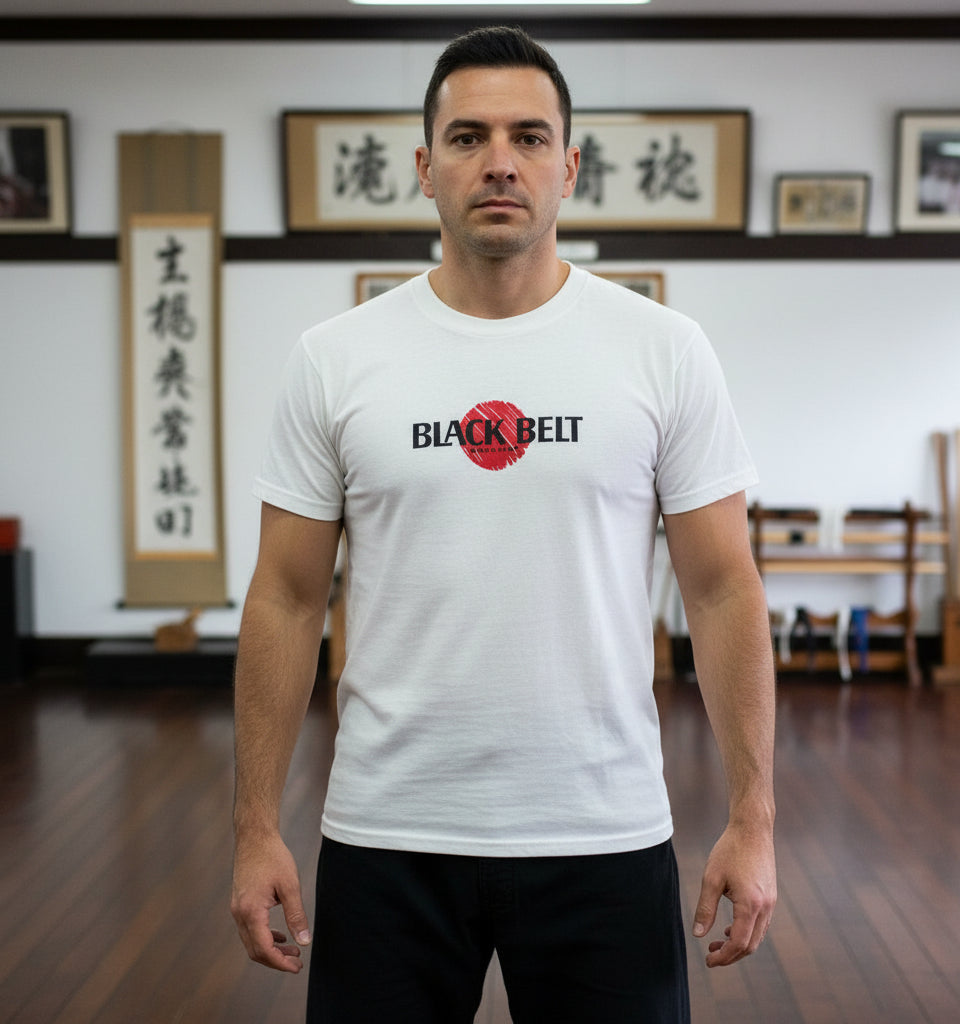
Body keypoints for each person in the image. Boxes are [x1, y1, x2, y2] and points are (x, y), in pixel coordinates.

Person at [231, 25, 776, 1023]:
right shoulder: (335, 358)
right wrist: (253, 827)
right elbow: (285, 594)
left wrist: (754, 817)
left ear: (569, 167)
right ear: (423, 166)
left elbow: (722, 585)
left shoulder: (661, 349)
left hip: (602, 828)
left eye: (528, 137)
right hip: (388, 830)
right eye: (468, 136)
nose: (498, 161)